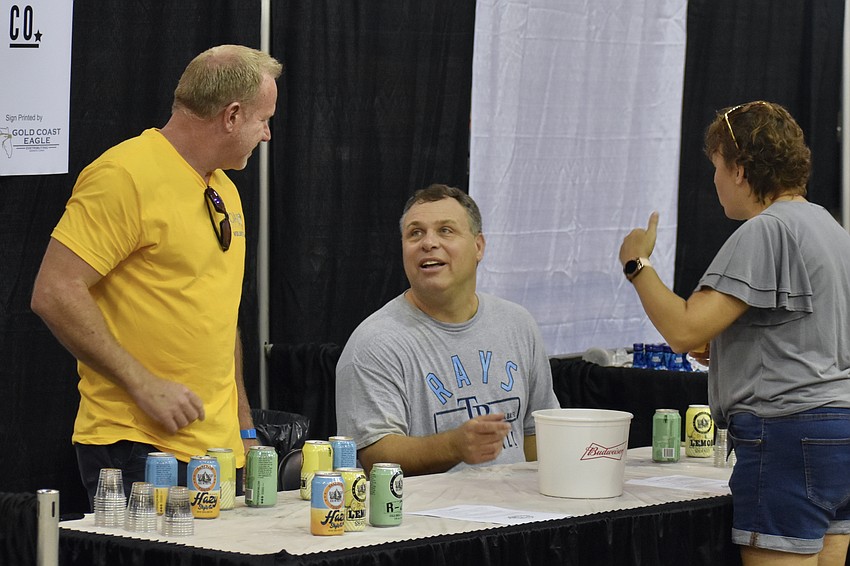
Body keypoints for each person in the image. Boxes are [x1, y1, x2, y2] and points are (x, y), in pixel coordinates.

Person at [30, 45, 282, 506]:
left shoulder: (224, 188)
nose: (267, 134)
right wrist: (142, 383)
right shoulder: (124, 175)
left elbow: (219, 319)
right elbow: (54, 290)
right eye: (263, 120)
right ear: (231, 116)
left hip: (218, 451)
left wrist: (244, 428)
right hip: (137, 446)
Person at [619, 101, 850, 565]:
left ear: (740, 170)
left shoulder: (766, 231)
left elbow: (684, 331)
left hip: (786, 433)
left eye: (717, 167)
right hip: (838, 432)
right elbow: (804, 333)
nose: (715, 181)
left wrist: (636, 264)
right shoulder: (831, 229)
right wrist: (730, 350)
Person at [335, 184, 560, 476]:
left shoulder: (518, 324)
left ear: (478, 247)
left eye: (445, 230)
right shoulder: (375, 343)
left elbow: (536, 433)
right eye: (415, 233)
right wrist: (454, 446)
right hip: (421, 506)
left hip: (516, 503)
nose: (428, 243)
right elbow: (376, 455)